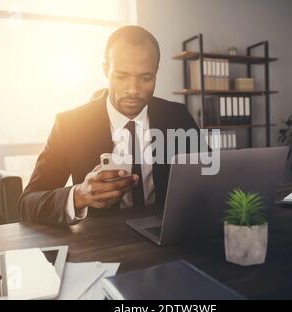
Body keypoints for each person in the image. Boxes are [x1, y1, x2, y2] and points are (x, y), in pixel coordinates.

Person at [18, 25, 200, 225]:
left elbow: (209, 177)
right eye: (121, 77)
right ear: (106, 70)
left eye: (145, 78)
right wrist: (79, 196)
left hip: (165, 237)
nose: (133, 90)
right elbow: (27, 203)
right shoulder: (70, 125)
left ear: (156, 72)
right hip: (100, 242)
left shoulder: (178, 117)